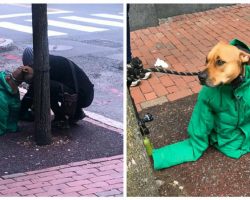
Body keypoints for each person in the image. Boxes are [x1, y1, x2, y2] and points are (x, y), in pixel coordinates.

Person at [20, 47, 94, 129]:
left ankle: (60, 119)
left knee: (42, 86)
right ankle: (76, 113)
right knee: (46, 86)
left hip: (82, 97)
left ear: (34, 63)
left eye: (29, 67)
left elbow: (31, 94)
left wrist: (19, 113)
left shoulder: (44, 67)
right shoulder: (51, 60)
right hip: (87, 93)